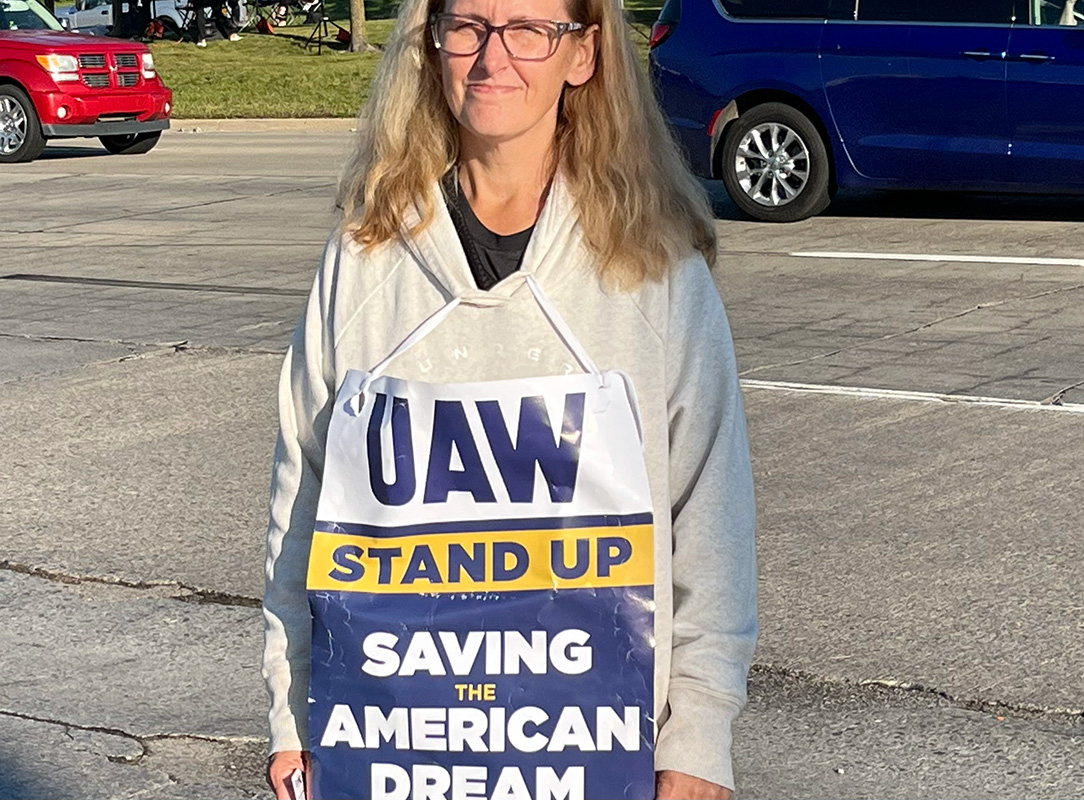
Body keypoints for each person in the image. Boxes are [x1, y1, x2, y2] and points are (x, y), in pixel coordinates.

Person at [261, 0, 757, 797]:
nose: (494, 56)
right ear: (431, 45)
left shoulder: (655, 270)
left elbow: (713, 520)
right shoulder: (363, 258)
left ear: (584, 53)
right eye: (468, 26)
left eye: (530, 29)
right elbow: (302, 504)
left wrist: (698, 740)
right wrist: (293, 715)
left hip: (601, 759)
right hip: (391, 755)